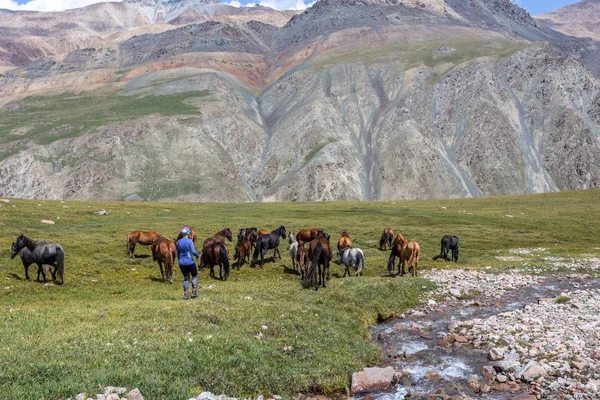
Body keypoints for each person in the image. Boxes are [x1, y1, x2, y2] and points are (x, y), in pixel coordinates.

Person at [176, 226, 200, 299]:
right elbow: (193, 251)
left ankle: (186, 294)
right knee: (194, 276)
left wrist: (180, 260)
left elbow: (177, 254)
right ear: (188, 233)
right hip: (190, 262)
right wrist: (198, 256)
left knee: (186, 278)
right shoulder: (190, 241)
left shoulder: (178, 242)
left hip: (181, 263)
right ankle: (194, 292)